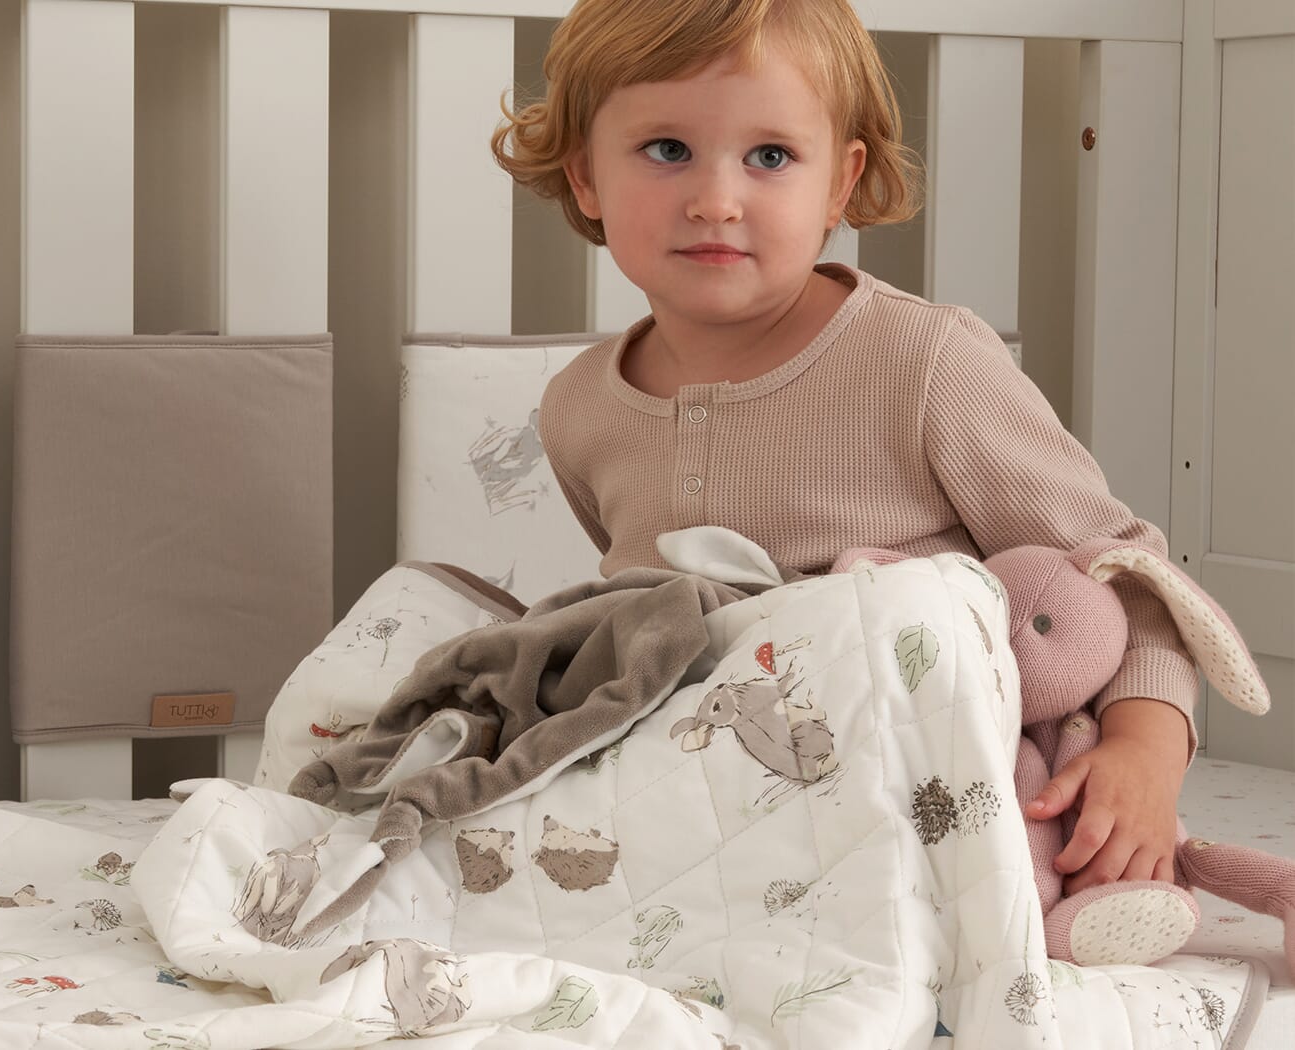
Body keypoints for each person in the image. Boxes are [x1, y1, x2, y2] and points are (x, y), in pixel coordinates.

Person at [491, 0, 1198, 898]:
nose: (716, 199)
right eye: (666, 150)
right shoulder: (580, 407)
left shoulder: (925, 362)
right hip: (705, 817)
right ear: (586, 176)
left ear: (839, 181)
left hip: (931, 800)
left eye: (771, 157)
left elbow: (1119, 574)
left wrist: (1146, 748)